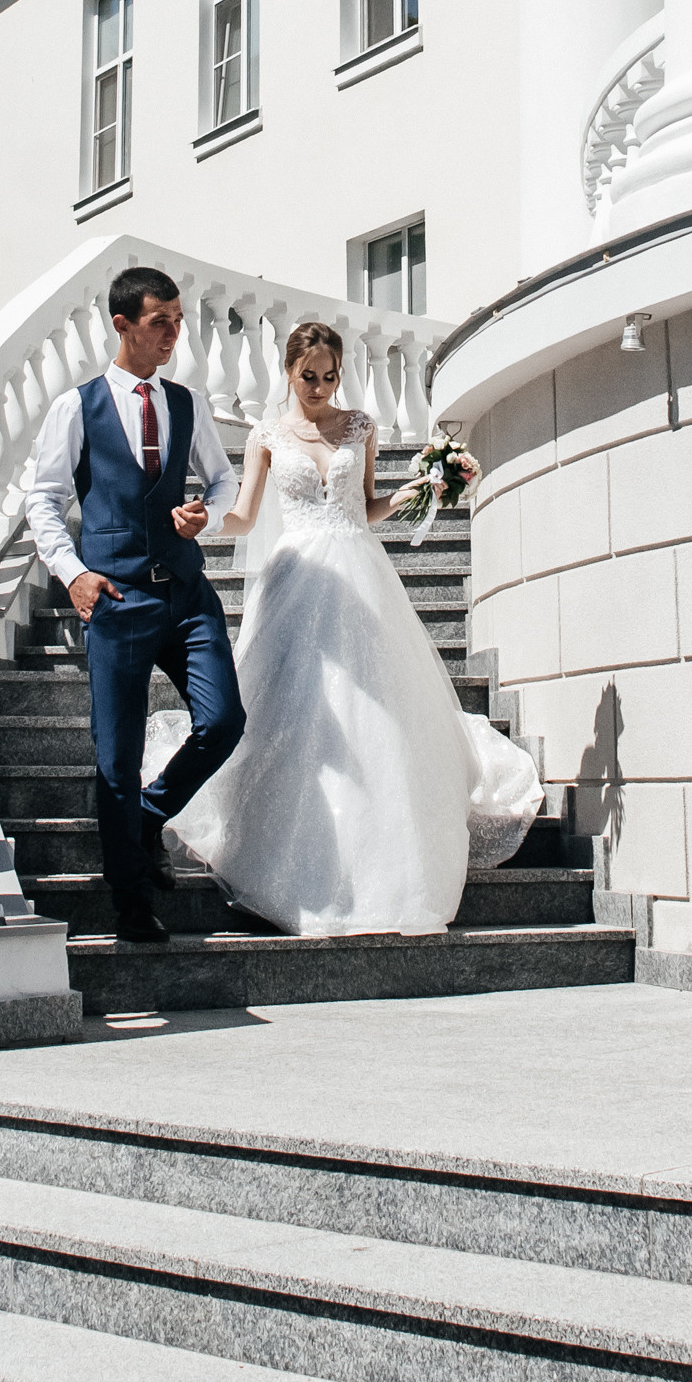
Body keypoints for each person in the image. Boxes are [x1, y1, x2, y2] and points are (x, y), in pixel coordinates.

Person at [166, 319, 544, 935]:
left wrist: (414, 491)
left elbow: (363, 505)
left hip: (358, 569)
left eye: (329, 376)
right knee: (292, 709)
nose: (319, 387)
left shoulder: (360, 426)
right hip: (295, 577)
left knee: (377, 713)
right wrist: (202, 521)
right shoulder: (266, 434)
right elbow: (243, 517)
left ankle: (385, 857)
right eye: (308, 376)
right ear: (288, 372)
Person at [25, 264, 241, 944]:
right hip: (115, 600)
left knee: (224, 719)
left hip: (185, 592)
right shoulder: (78, 406)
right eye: (160, 321)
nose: (174, 332)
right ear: (123, 325)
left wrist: (208, 513)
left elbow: (225, 477)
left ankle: (149, 818)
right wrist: (73, 574)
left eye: (178, 319)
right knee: (116, 759)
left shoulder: (186, 402)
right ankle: (129, 901)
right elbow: (42, 499)